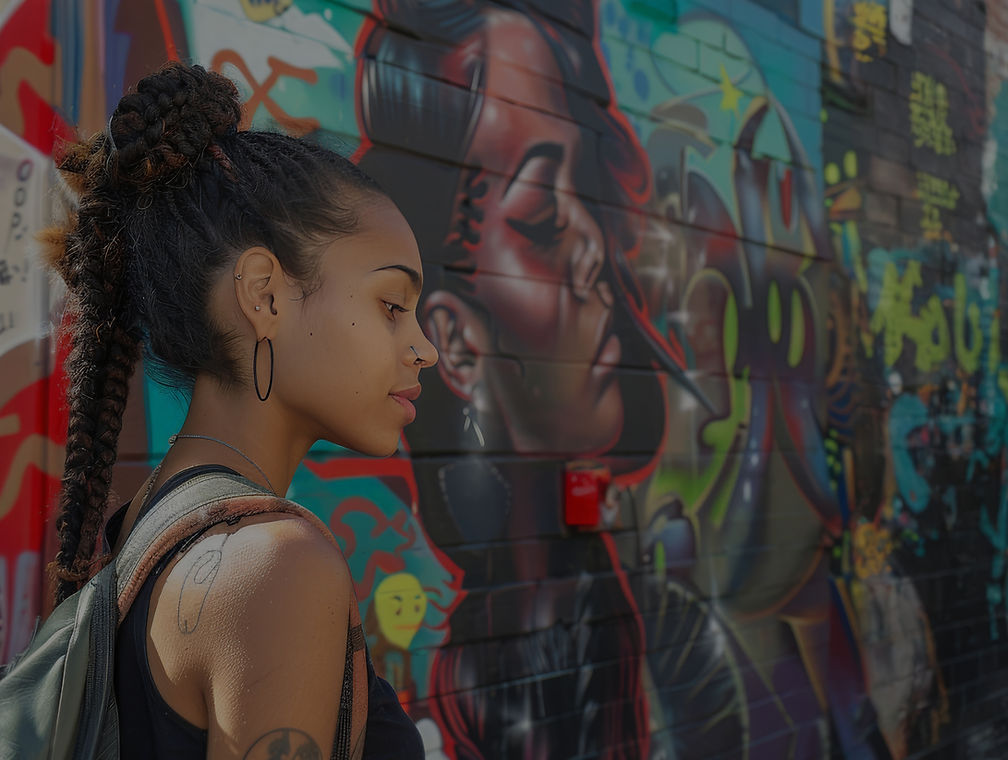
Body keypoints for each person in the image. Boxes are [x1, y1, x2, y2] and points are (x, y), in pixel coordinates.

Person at [354, 2, 744, 757]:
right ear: (455, 344)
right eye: (539, 216)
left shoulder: (673, 649)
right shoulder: (424, 715)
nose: (594, 248)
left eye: (586, 187)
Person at [41, 61, 436, 759]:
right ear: (264, 295)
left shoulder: (154, 518)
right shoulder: (275, 565)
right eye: (392, 306)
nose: (424, 349)